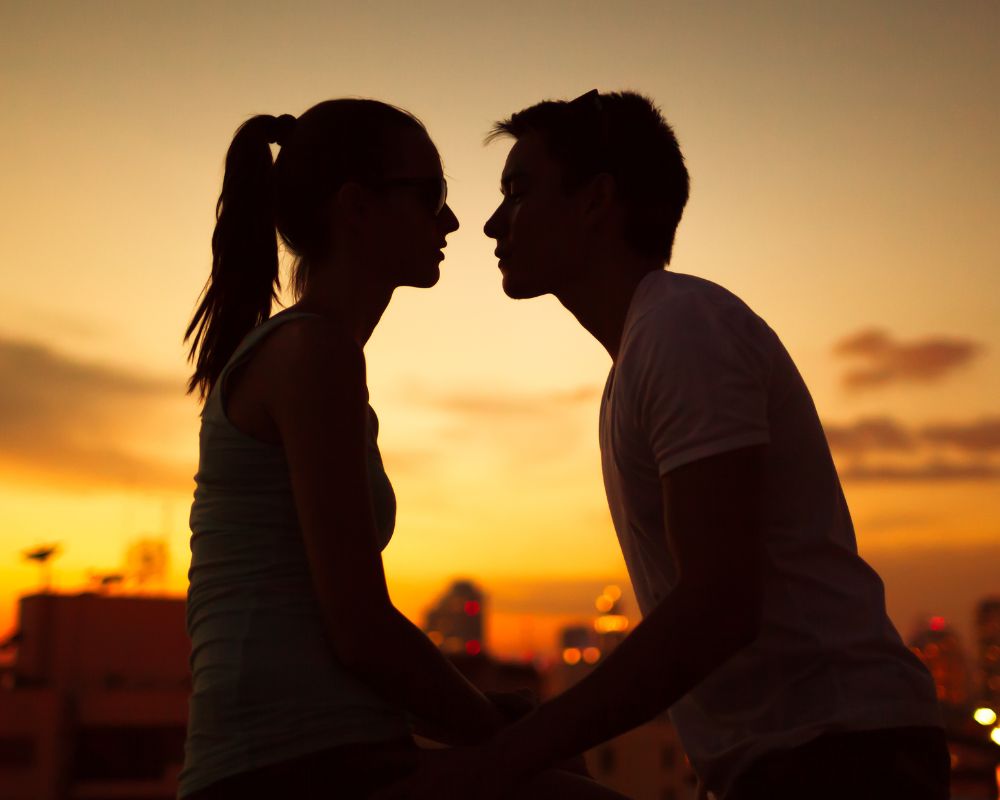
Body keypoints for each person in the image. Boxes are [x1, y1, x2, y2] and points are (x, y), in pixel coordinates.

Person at [380, 90, 950, 800]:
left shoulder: (683, 330)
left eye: (518, 192)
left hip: (841, 761)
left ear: (596, 202)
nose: (493, 224)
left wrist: (507, 757)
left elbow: (718, 606)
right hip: (794, 760)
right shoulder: (643, 356)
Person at [177, 98, 627, 800]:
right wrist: (501, 731)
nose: (451, 221)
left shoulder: (311, 353)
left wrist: (495, 722)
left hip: (325, 752)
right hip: (290, 767)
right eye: (431, 196)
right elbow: (359, 629)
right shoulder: (314, 353)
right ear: (355, 207)